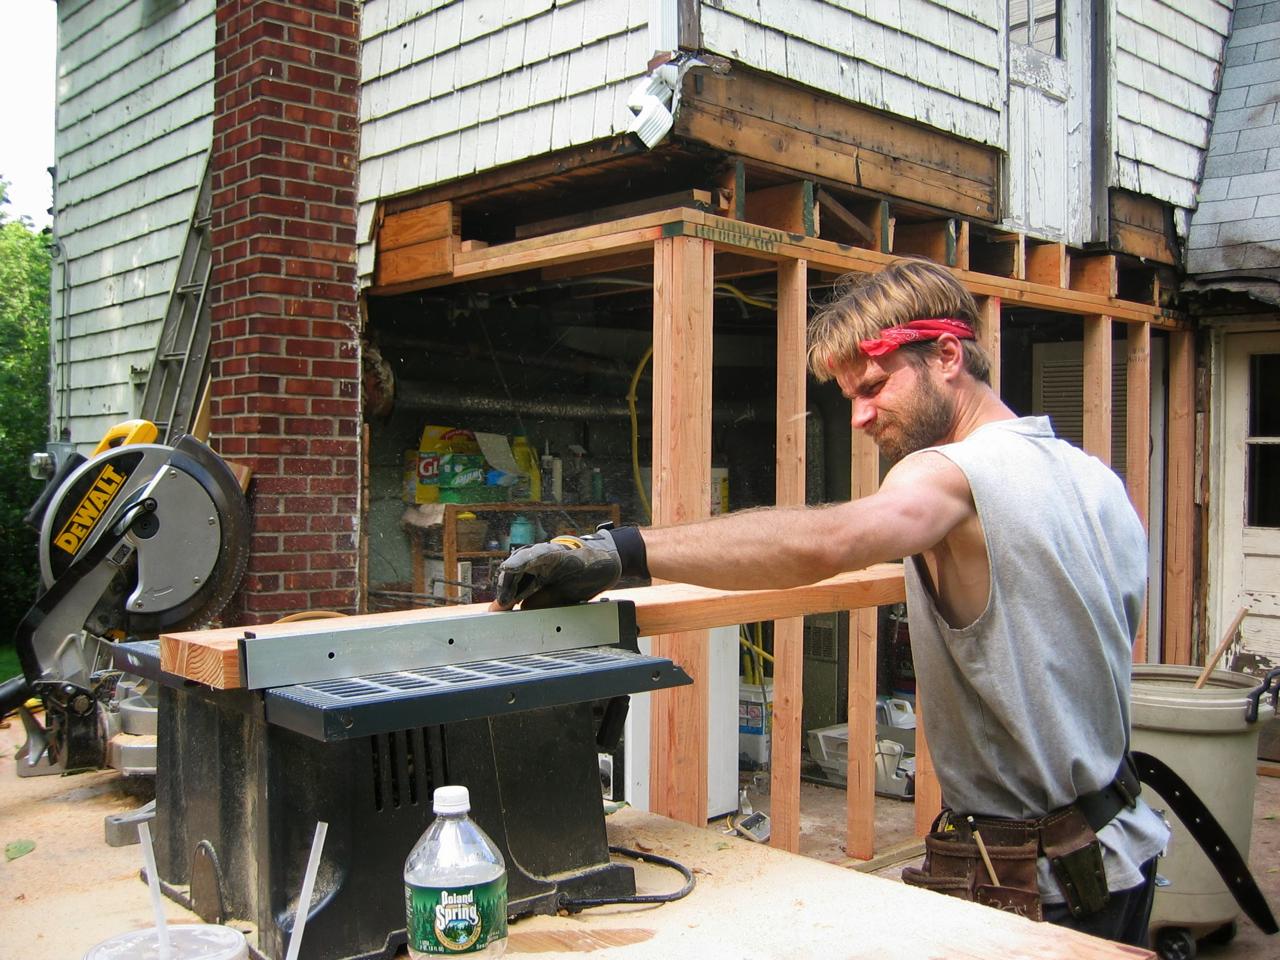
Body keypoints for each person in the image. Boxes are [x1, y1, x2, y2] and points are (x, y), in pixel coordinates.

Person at [490, 258, 1169, 944]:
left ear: (947, 354)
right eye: (849, 396)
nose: (861, 416)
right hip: (1123, 849)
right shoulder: (1092, 479)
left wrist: (622, 552)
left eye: (874, 386)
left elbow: (831, 541)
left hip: (1035, 885)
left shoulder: (951, 475)